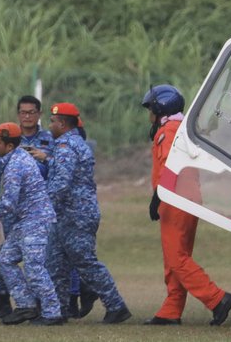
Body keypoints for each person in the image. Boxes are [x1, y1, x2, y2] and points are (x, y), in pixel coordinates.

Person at [143, 84, 231, 326]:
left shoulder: (170, 130)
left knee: (177, 257)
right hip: (182, 197)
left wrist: (156, 198)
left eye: (150, 109)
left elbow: (167, 167)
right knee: (175, 255)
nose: (149, 114)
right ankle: (171, 309)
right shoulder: (180, 128)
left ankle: (217, 299)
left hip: (175, 198)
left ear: (160, 107)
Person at [45, 102, 131, 323]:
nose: (50, 125)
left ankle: (116, 305)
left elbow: (61, 184)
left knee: (85, 262)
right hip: (64, 215)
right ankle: (59, 311)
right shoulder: (71, 144)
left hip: (76, 215)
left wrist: (40, 205)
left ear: (62, 123)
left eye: (53, 121)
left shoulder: (66, 146)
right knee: (55, 263)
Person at [0, 122, 62, 326]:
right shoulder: (12, 158)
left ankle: (52, 313)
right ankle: (26, 305)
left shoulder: (15, 166)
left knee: (34, 268)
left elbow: (9, 203)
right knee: (5, 259)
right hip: (26, 221)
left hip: (36, 220)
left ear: (9, 146)